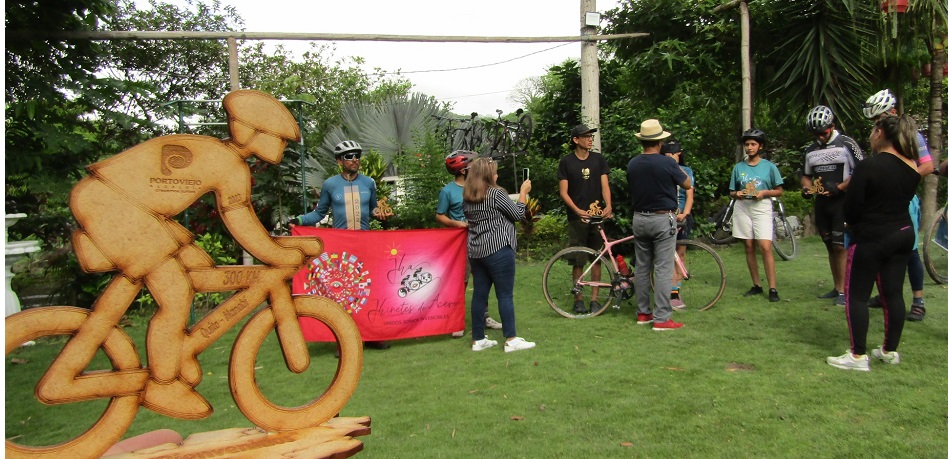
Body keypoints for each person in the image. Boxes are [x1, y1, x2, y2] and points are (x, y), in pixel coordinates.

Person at [66, 89, 314, 418]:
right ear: (253, 132)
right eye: (278, 138)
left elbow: (249, 229)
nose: (282, 146)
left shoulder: (213, 151)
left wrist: (279, 249)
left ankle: (177, 354)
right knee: (175, 293)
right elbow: (242, 224)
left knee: (196, 265)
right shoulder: (228, 164)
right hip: (118, 207)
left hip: (123, 205)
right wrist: (280, 256)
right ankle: (163, 383)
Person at [827, 114, 920, 371]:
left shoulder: (869, 165)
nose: (870, 136)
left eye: (872, 131)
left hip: (872, 236)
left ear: (879, 133)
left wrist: (852, 224)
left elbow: (852, 206)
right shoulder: (911, 167)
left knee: (856, 295)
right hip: (903, 233)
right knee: (893, 294)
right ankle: (889, 351)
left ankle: (857, 356)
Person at [289, 140, 391, 350]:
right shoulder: (330, 184)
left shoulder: (369, 183)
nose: (354, 160)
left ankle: (371, 335)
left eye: (357, 156)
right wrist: (299, 220)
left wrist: (381, 213)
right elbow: (319, 213)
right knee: (344, 292)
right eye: (349, 156)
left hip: (365, 244)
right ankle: (343, 339)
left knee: (369, 289)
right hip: (342, 247)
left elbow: (373, 209)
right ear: (339, 161)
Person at [863, 89, 933, 321]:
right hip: (883, 200)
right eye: (874, 120)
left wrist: (902, 181)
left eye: (879, 118)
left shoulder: (912, 136)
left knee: (910, 251)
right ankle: (885, 294)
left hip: (905, 200)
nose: (877, 123)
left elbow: (927, 166)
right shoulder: (881, 138)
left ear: (892, 112)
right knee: (882, 248)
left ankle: (918, 302)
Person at [463, 158, 536, 352]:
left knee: (479, 295)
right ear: (488, 175)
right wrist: (523, 193)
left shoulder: (468, 196)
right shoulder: (496, 193)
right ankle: (511, 339)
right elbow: (518, 214)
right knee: (504, 295)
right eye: (494, 172)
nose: (497, 175)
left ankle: (478, 339)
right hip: (498, 249)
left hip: (476, 252)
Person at [625, 119, 692, 331]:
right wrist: (674, 165)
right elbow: (687, 183)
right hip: (662, 219)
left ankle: (643, 313)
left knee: (642, 267)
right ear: (660, 142)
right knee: (663, 269)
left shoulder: (633, 164)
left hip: (639, 218)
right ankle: (662, 318)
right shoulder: (667, 163)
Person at [800, 105, 864, 306]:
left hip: (842, 202)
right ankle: (837, 287)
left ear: (832, 126)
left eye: (823, 132)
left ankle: (845, 291)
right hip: (822, 204)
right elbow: (805, 175)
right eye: (816, 134)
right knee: (829, 245)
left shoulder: (846, 144)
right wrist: (806, 188)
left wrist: (839, 187)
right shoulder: (810, 150)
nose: (820, 137)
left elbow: (861, 171)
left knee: (840, 246)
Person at [436, 150, 503, 337]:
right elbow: (439, 216)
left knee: (483, 278)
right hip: (461, 242)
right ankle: (456, 321)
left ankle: (484, 317)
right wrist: (456, 224)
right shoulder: (447, 191)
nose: (476, 167)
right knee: (461, 281)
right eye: (472, 165)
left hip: (482, 239)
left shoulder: (481, 187)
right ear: (464, 170)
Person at [557, 124, 613, 314]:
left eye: (591, 136)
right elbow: (564, 192)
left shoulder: (598, 159)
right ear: (576, 140)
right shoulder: (566, 162)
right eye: (586, 136)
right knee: (578, 260)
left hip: (597, 216)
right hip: (577, 218)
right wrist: (577, 210)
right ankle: (578, 299)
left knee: (597, 258)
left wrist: (608, 205)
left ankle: (595, 300)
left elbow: (605, 186)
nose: (590, 139)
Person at [729, 129, 784, 303]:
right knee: (749, 246)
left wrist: (765, 192)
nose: (749, 147)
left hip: (762, 206)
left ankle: (773, 288)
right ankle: (756, 285)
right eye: (747, 144)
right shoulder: (739, 167)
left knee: (765, 246)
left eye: (753, 144)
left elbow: (779, 190)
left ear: (760, 146)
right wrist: (738, 193)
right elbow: (732, 191)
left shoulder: (769, 167)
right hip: (743, 206)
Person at [661, 139, 693, 309]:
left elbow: (689, 195)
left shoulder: (686, 171)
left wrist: (685, 213)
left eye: (672, 153)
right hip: (666, 215)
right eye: (666, 153)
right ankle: (666, 289)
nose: (669, 156)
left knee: (679, 254)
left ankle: (675, 291)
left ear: (679, 153)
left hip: (682, 216)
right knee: (667, 254)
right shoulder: (662, 169)